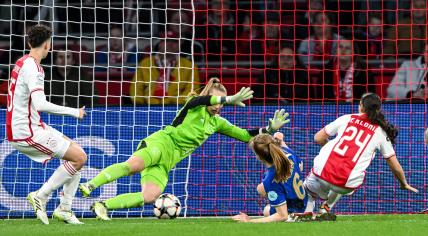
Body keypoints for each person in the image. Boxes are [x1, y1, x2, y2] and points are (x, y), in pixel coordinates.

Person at [79, 77, 289, 220]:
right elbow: (201, 99)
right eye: (218, 101)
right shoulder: (194, 104)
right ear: (211, 96)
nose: (219, 107)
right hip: (160, 144)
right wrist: (228, 98)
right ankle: (90, 184)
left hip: (168, 162)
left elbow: (245, 135)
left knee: (151, 196)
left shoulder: (217, 123)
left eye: (222, 104)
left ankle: (103, 206)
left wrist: (269, 128)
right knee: (133, 165)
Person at [6, 25, 87, 224]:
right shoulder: (34, 68)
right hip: (26, 132)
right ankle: (41, 196)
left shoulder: (22, 61)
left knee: (77, 153)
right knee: (79, 158)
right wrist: (74, 112)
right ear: (48, 45)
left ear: (28, 43)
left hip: (30, 125)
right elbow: (41, 104)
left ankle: (65, 209)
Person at [297, 93, 418, 221]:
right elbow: (395, 165)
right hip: (345, 184)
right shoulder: (381, 132)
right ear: (378, 109)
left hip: (321, 173)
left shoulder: (347, 118)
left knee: (309, 190)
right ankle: (325, 207)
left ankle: (306, 210)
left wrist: (329, 149)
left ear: (361, 106)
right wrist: (403, 183)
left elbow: (318, 138)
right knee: (352, 171)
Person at [232, 132, 306, 223]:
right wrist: (282, 141)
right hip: (305, 203)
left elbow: (282, 216)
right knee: (262, 188)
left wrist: (249, 221)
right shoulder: (288, 155)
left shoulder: (271, 180)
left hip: (294, 214)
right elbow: (301, 167)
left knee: (266, 210)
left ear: (259, 157)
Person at [130, 30, 200, 105]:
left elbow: (192, 90)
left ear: (180, 45)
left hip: (178, 109)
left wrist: (174, 104)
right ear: (159, 44)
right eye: (166, 41)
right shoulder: (145, 64)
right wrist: (140, 106)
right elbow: (136, 88)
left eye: (174, 41)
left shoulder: (189, 66)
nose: (170, 44)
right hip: (148, 108)